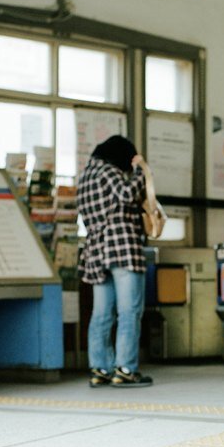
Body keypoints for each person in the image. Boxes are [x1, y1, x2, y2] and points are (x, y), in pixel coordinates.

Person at [77, 135, 154, 389]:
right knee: (129, 312)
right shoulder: (109, 171)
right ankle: (125, 369)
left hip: (96, 251)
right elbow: (126, 194)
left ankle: (100, 368)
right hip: (121, 247)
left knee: (101, 314)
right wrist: (142, 172)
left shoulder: (85, 177)